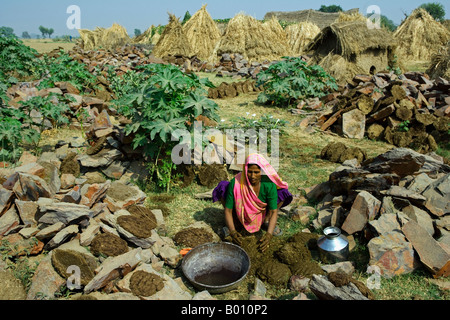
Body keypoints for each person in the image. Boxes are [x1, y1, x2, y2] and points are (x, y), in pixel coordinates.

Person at [212, 153, 293, 252]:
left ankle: (265, 221)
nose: (252, 176)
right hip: (240, 210)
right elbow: (228, 211)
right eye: (249, 172)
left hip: (261, 211)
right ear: (245, 170)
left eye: (256, 172)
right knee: (223, 186)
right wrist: (233, 232)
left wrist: (268, 235)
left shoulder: (268, 184)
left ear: (262, 172)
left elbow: (274, 211)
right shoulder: (237, 183)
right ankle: (236, 221)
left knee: (283, 193)